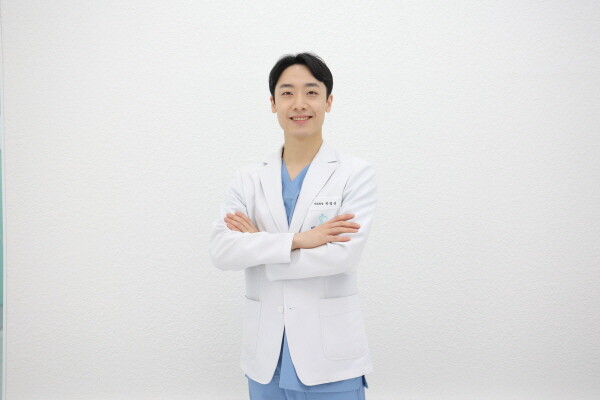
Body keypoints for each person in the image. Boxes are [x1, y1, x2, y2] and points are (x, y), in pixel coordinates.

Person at [210, 52, 377, 400]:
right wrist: (302, 240)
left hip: (329, 355)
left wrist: (260, 246)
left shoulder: (354, 173)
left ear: (328, 101)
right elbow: (223, 252)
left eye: (311, 92)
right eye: (287, 93)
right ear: (273, 103)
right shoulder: (248, 178)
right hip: (266, 356)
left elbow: (342, 256)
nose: (299, 103)